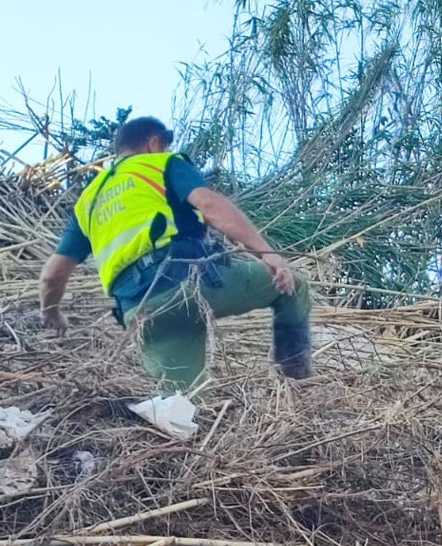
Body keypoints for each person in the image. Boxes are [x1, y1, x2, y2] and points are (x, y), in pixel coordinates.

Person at [38, 116, 313, 390]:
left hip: (141, 310)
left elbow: (52, 275)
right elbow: (210, 205)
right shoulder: (161, 163)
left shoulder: (89, 200)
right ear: (154, 142)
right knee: (293, 287)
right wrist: (267, 253)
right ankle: (298, 386)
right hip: (186, 282)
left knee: (184, 408)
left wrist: (52, 312)